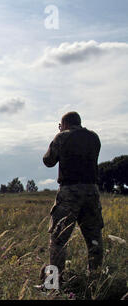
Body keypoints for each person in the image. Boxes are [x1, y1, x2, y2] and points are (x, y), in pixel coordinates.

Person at [42, 111, 104, 283]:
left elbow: (48, 160)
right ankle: (96, 280)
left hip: (70, 191)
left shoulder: (62, 137)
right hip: (92, 191)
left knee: (58, 239)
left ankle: (53, 283)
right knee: (94, 239)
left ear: (65, 124)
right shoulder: (94, 138)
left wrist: (59, 134)